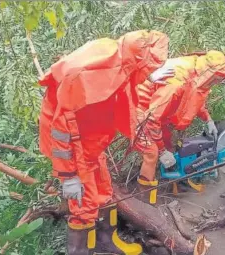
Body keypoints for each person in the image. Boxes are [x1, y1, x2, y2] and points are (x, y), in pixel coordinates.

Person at [38, 30, 174, 255]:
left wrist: (149, 79)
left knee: (105, 191)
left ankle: (105, 243)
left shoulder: (121, 60)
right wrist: (68, 176)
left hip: (91, 143)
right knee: (84, 202)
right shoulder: (85, 74)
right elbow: (60, 129)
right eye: (148, 68)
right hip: (73, 147)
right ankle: (80, 251)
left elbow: (121, 91)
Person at [133, 50, 225, 204]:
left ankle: (176, 184)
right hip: (138, 110)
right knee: (152, 152)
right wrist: (162, 152)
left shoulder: (195, 74)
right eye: (215, 79)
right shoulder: (177, 82)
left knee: (170, 146)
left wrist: (208, 119)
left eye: (219, 80)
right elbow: (151, 118)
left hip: (156, 113)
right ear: (208, 72)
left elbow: (195, 99)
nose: (215, 83)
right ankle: (143, 201)